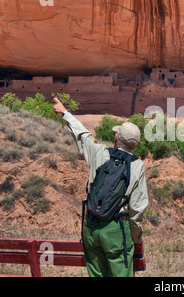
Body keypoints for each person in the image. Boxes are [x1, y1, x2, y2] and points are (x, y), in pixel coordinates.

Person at [53, 98, 148, 277]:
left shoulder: (100, 152)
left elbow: (83, 135)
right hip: (116, 229)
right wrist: (135, 238)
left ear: (116, 138)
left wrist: (65, 113)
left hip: (91, 226)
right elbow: (137, 209)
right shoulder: (137, 166)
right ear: (135, 145)